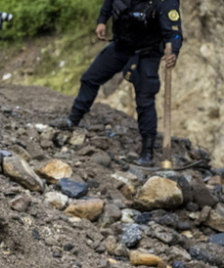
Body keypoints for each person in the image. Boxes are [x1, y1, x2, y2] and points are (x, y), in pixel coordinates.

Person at [55, 0, 183, 166]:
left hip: (147, 53)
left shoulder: (165, 2)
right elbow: (110, 2)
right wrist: (102, 20)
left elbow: (174, 32)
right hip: (121, 46)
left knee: (145, 98)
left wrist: (173, 50)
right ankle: (73, 120)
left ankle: (147, 151)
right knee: (90, 78)